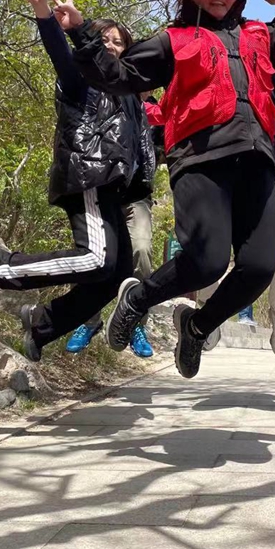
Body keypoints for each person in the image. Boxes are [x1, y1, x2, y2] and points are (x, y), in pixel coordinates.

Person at [66, 0, 275, 379]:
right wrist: (82, 34)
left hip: (256, 160)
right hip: (200, 159)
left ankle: (197, 327)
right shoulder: (172, 40)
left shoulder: (263, 34)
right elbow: (118, 75)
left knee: (260, 266)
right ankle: (139, 297)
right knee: (207, 261)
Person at [0, 0, 155, 362]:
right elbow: (61, 54)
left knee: (112, 277)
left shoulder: (131, 98)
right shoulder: (80, 80)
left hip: (114, 189)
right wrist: (46, 14)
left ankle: (41, 324)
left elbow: (146, 146)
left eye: (119, 42)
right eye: (104, 38)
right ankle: (0, 267)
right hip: (89, 173)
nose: (111, 45)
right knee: (94, 258)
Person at [197, 0, 275, 358]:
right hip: (215, 168)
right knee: (210, 247)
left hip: (262, 169)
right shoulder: (209, 62)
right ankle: (207, 317)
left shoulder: (274, 76)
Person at [66, 91, 158, 359]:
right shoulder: (103, 97)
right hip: (103, 190)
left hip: (137, 197)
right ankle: (89, 320)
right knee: (91, 256)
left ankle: (136, 323)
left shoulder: (155, 113)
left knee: (142, 252)